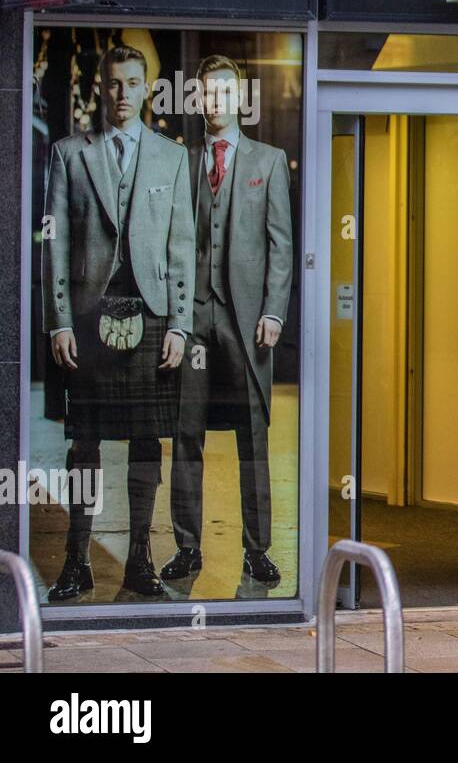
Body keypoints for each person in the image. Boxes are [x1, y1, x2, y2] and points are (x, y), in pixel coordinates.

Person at [42, 44, 196, 600]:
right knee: (83, 442)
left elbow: (183, 248)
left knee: (146, 441)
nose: (123, 94)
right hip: (86, 319)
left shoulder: (171, 157)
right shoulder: (67, 154)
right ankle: (75, 560)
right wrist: (58, 321)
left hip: (152, 315)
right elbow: (53, 247)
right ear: (100, 88)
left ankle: (139, 561)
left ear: (148, 88)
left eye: (133, 83)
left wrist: (180, 325)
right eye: (113, 84)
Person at [161, 55, 293, 586]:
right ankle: (187, 548)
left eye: (223, 94)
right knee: (186, 434)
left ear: (240, 100)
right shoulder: (183, 161)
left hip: (245, 320)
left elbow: (281, 247)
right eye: (206, 95)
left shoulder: (269, 160)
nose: (214, 104)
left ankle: (257, 550)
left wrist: (274, 310)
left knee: (253, 437)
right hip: (193, 315)